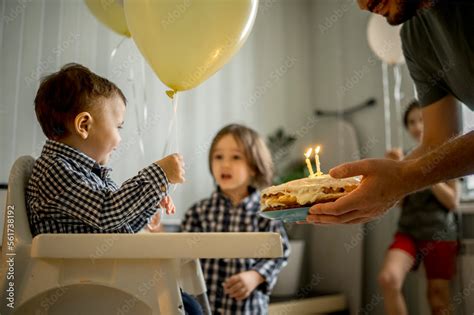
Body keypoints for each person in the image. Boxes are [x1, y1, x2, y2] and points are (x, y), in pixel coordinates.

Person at [27, 63, 202, 314]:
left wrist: (151, 199)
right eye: (118, 126)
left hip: (104, 277)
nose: (120, 138)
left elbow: (121, 225)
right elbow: (108, 211)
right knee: (187, 307)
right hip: (83, 285)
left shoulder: (87, 174)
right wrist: (158, 173)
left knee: (186, 302)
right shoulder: (55, 170)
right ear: (84, 126)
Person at [307, 0, 474, 224]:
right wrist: (360, 189)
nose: (362, 5)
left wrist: (403, 178)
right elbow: (437, 142)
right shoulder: (416, 36)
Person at [181, 124, 290, 314]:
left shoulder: (266, 211)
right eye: (218, 156)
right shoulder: (198, 212)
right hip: (203, 308)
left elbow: (280, 251)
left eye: (236, 157)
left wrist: (256, 276)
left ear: (254, 167)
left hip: (246, 308)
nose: (225, 164)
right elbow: (181, 253)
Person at [378, 101, 459, 315]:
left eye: (422, 120)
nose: (417, 126)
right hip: (409, 232)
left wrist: (424, 173)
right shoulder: (404, 158)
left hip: (439, 232)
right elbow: (398, 203)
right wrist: (394, 173)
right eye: (411, 122)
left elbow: (452, 202)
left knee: (438, 298)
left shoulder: (448, 155)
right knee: (388, 279)